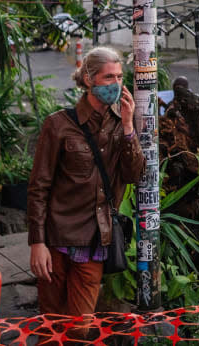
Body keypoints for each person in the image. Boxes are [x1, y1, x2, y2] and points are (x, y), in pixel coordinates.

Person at [27, 47, 145, 316]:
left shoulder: (121, 126)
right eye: (108, 78)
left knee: (80, 327)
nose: (115, 84)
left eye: (119, 78)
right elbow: (38, 187)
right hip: (57, 240)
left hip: (95, 240)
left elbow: (133, 176)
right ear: (90, 80)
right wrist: (37, 243)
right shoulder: (58, 124)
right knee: (51, 323)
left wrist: (128, 128)